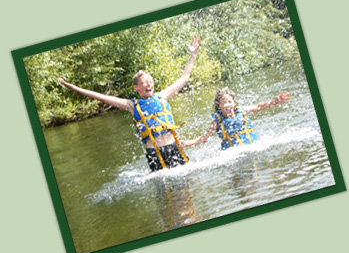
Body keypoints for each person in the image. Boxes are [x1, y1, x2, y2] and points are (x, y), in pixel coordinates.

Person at [58, 36, 201, 172]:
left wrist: (193, 55)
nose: (149, 84)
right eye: (145, 82)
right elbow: (102, 97)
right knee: (165, 195)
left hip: (173, 147)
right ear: (136, 88)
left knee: (185, 194)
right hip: (154, 153)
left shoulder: (162, 96)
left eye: (150, 81)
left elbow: (184, 78)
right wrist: (74, 88)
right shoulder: (132, 105)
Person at [181, 87, 290, 150]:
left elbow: (258, 106)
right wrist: (187, 143)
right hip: (233, 154)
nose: (228, 105)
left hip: (253, 148)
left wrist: (275, 101)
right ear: (218, 106)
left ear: (234, 103)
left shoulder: (242, 111)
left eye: (230, 102)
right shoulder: (217, 122)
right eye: (224, 103)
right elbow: (204, 138)